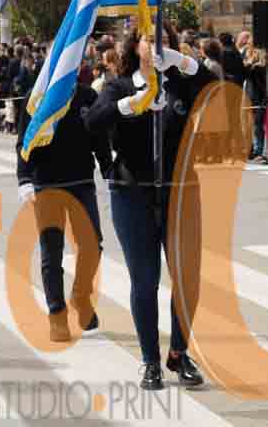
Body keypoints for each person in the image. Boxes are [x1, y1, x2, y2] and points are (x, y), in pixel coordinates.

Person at [83, 24, 212, 390]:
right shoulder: (120, 85)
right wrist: (130, 105)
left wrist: (183, 62)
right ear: (135, 46)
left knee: (186, 278)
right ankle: (150, 360)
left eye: (165, 41)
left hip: (179, 190)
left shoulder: (182, 84)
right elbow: (92, 121)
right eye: (150, 39)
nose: (158, 46)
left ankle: (179, 353)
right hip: (133, 192)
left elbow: (215, 90)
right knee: (145, 280)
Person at [16, 70, 109, 343]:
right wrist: (24, 177)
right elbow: (24, 140)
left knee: (92, 244)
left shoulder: (87, 96)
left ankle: (80, 295)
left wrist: (108, 167)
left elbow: (99, 136)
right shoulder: (37, 97)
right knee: (52, 250)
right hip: (46, 183)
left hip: (82, 180)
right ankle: (57, 313)